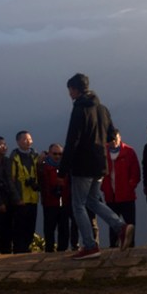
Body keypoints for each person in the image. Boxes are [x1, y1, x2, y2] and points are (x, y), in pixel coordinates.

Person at [58, 73, 133, 260]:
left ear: (75, 89)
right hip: (100, 164)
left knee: (78, 205)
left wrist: (63, 169)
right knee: (93, 201)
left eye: (70, 90)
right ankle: (120, 226)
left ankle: (90, 246)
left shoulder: (79, 109)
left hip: (82, 165)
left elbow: (72, 140)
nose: (69, 94)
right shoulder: (102, 108)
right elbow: (111, 135)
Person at [102, 128, 140, 248]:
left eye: (116, 139)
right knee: (113, 224)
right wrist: (104, 188)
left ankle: (130, 247)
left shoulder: (129, 152)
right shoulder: (103, 153)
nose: (115, 142)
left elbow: (136, 173)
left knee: (130, 224)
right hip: (110, 196)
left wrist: (130, 186)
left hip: (127, 196)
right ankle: (113, 247)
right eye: (112, 140)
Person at [9, 130, 40, 254]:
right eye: (25, 139)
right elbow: (11, 180)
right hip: (20, 199)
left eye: (30, 139)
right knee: (19, 228)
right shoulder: (14, 158)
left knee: (30, 227)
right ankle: (18, 251)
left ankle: (26, 249)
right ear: (18, 141)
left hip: (33, 198)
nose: (28, 142)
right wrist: (16, 198)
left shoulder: (34, 156)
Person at [39, 143, 72, 252]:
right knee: (49, 229)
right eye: (55, 154)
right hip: (49, 203)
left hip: (65, 202)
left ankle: (62, 249)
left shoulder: (66, 167)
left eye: (60, 154)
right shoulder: (43, 167)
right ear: (49, 154)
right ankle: (49, 249)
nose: (57, 156)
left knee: (64, 228)